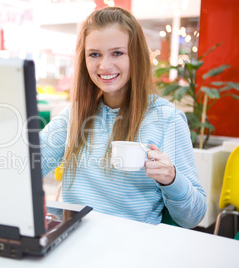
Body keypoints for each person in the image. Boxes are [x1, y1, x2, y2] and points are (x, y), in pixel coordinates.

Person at [39, 7, 206, 228]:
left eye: (117, 53)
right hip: (74, 238)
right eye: (94, 54)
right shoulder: (75, 114)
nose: (104, 65)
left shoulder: (167, 119)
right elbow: (28, 165)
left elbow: (193, 218)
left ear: (135, 56)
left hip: (132, 246)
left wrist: (172, 179)